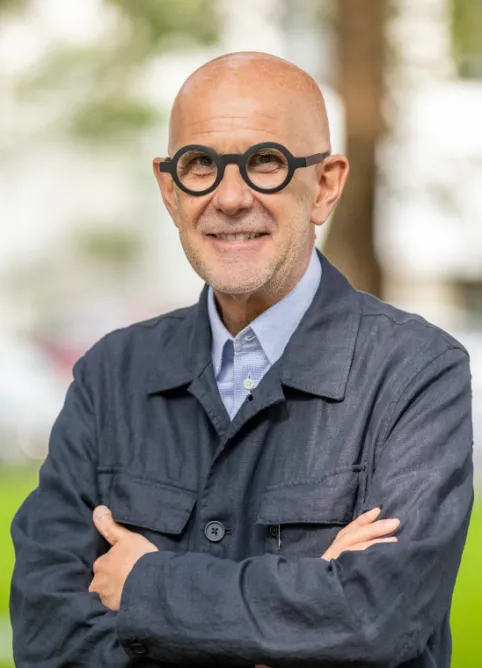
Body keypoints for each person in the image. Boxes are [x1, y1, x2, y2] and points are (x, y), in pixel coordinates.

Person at [10, 52, 473, 668]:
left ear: (325, 186)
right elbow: (47, 635)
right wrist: (304, 610)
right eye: (200, 164)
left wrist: (146, 585)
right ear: (169, 189)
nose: (230, 198)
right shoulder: (109, 377)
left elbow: (377, 619)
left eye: (265, 162)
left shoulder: (415, 373)